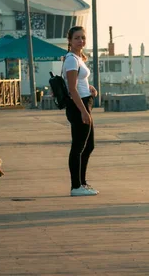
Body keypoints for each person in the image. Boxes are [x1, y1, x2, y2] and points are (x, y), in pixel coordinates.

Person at [64, 26, 99, 197]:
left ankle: (82, 183)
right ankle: (76, 186)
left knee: (88, 145)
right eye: (77, 38)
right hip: (78, 105)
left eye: (83, 37)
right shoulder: (71, 59)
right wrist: (84, 111)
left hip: (85, 102)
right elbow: (71, 89)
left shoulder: (78, 58)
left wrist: (89, 87)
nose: (81, 41)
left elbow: (79, 82)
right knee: (78, 147)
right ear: (70, 40)